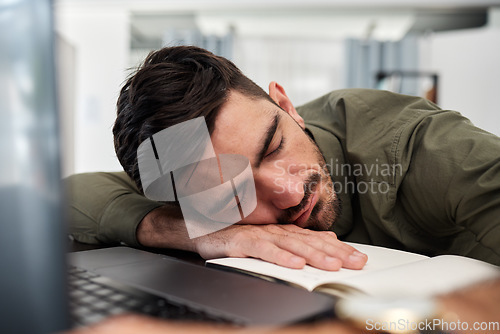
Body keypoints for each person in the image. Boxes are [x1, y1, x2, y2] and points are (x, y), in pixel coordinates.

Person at [65, 45, 500, 269]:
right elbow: (68, 194)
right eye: (231, 197)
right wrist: (197, 234)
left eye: (273, 147)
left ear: (286, 106)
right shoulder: (190, 197)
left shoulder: (423, 148)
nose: (290, 193)